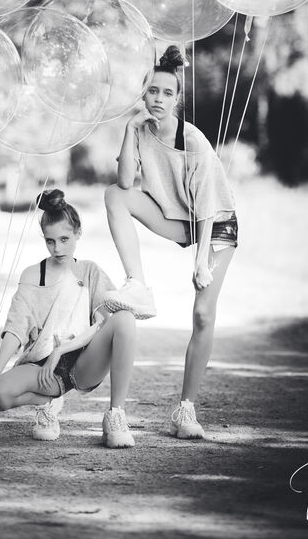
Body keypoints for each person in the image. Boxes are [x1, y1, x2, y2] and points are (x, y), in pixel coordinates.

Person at [103, 46, 238, 440]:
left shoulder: (191, 139)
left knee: (202, 314)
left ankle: (185, 410)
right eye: (152, 92)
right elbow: (126, 184)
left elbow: (210, 206)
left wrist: (200, 263)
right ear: (143, 95)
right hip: (178, 220)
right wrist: (129, 130)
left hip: (215, 224)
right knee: (114, 195)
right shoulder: (141, 132)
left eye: (166, 93)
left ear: (177, 98)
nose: (158, 99)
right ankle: (137, 285)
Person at [0, 188, 136, 448]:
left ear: (78, 233)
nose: (57, 248)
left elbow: (104, 323)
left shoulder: (90, 271)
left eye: (64, 239)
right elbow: (16, 327)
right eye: (50, 241)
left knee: (125, 318)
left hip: (82, 361)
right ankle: (46, 401)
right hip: (42, 366)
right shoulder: (31, 275)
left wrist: (63, 350)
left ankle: (116, 416)